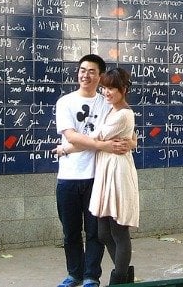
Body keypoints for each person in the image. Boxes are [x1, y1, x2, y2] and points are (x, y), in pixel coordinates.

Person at [52, 54, 130, 287]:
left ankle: (90, 276)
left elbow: (128, 129)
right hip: (68, 177)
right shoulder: (65, 102)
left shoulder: (107, 102)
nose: (85, 75)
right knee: (71, 232)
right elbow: (71, 135)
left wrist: (131, 143)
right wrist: (102, 146)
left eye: (92, 71)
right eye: (82, 70)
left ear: (101, 76)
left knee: (95, 232)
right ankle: (74, 274)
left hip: (97, 176)